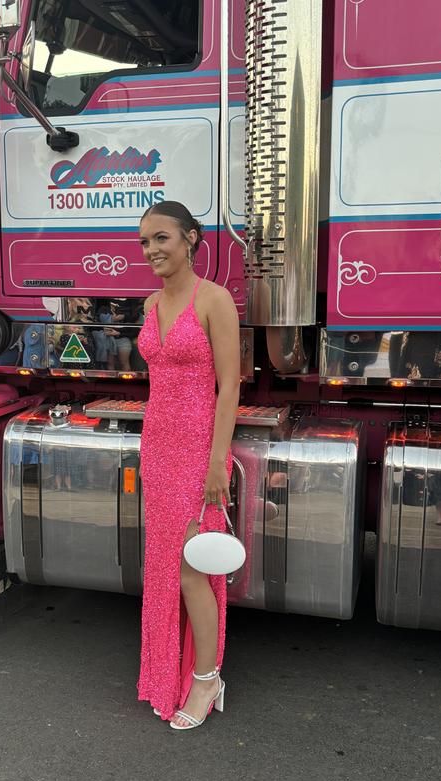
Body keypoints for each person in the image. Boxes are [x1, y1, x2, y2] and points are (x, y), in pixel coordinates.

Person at [136, 200, 240, 730]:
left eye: (162, 238)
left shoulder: (215, 300)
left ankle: (206, 679)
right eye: (146, 242)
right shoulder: (151, 304)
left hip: (198, 449)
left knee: (191, 569)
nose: (153, 250)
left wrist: (217, 461)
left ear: (191, 239)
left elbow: (230, 388)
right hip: (156, 447)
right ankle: (164, 673)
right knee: (163, 569)